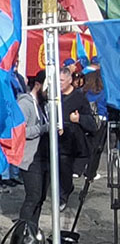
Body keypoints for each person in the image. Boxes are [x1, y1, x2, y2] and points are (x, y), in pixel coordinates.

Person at [58, 65, 96, 208]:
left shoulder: (79, 98)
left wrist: (79, 119)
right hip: (54, 139)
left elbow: (92, 124)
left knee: (65, 167)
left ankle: (63, 196)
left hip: (71, 143)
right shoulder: (54, 96)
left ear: (69, 80)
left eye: (61, 80)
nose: (59, 84)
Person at [17, 71, 50, 224]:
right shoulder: (25, 104)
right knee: (33, 197)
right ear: (38, 85)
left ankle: (32, 231)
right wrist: (43, 128)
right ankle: (21, 236)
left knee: (41, 198)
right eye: (47, 88)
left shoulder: (44, 104)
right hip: (31, 159)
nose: (49, 93)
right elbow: (20, 131)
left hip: (45, 157)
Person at [82, 66, 108, 183]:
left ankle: (83, 169)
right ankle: (91, 172)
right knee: (97, 148)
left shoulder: (85, 92)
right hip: (100, 121)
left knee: (87, 145)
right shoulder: (103, 92)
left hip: (87, 120)